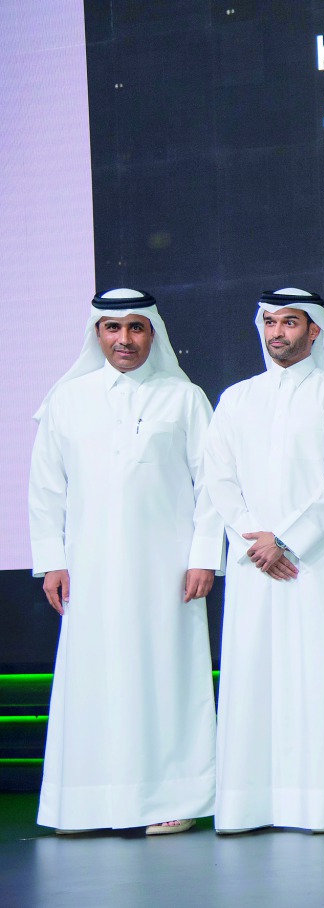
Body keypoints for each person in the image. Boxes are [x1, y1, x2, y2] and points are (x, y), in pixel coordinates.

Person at [28, 288, 224, 835]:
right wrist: (52, 561)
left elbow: (213, 487)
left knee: (167, 679)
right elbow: (46, 489)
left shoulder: (183, 399)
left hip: (168, 573)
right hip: (89, 568)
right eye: (113, 329)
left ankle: (174, 801)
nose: (124, 340)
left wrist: (204, 555)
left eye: (136, 328)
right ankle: (86, 806)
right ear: (97, 335)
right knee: (94, 680)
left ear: (152, 334)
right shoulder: (67, 401)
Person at [203, 288, 324, 834]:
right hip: (256, 565)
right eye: (270, 322)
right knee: (254, 679)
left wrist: (288, 540)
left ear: (313, 331)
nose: (277, 332)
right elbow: (219, 478)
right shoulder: (236, 398)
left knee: (321, 676)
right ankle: (249, 807)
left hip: (317, 562)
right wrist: (257, 542)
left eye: (290, 322)